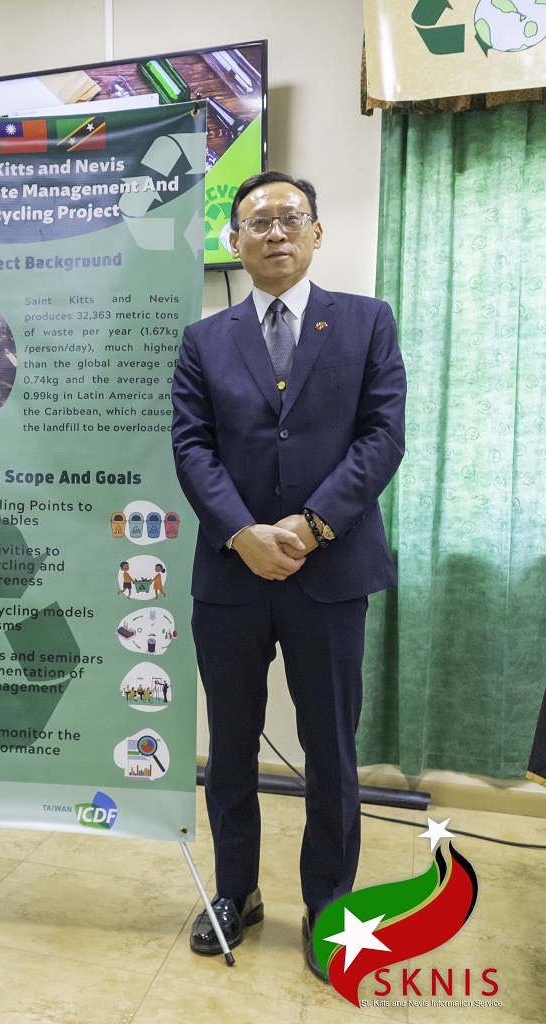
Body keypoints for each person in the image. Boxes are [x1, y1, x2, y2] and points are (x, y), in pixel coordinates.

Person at [171, 171, 405, 980]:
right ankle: (235, 891)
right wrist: (242, 534)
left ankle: (330, 906)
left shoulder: (367, 321)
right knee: (231, 746)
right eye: (258, 221)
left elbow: (382, 436)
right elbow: (191, 447)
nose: (275, 232)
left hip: (330, 573)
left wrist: (309, 526)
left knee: (330, 751)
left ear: (316, 232)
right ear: (234, 240)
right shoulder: (204, 339)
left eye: (290, 217)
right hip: (230, 577)